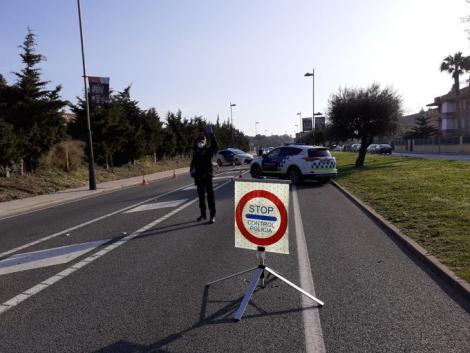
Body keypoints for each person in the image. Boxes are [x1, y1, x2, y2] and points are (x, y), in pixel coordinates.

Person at [190, 127, 218, 224]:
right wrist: (192, 172)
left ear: (205, 142)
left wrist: (212, 135)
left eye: (202, 141)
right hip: (199, 178)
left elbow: (215, 146)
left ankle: (212, 216)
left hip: (208, 177)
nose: (200, 143)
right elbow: (193, 164)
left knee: (210, 198)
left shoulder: (208, 151)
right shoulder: (196, 152)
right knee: (201, 198)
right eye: (199, 141)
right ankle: (203, 214)